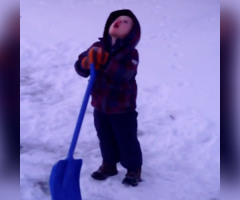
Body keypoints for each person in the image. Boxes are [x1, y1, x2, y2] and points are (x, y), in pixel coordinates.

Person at [74, 9, 142, 186]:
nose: (119, 21)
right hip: (100, 105)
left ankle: (133, 169)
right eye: (117, 19)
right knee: (105, 137)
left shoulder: (131, 54)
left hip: (122, 108)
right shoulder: (96, 47)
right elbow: (81, 69)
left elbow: (125, 74)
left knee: (126, 139)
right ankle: (109, 165)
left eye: (126, 22)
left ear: (132, 33)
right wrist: (85, 62)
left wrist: (106, 61)